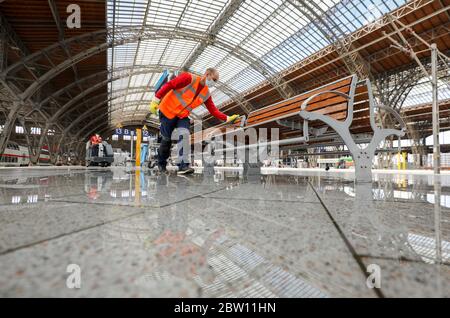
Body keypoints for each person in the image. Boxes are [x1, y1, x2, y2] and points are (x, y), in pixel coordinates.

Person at [149, 68, 239, 174]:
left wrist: (228, 118)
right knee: (166, 140)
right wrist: (156, 100)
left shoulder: (206, 93)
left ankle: (183, 166)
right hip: (167, 111)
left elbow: (213, 110)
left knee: (185, 135)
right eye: (213, 79)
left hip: (182, 116)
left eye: (216, 81)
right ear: (207, 74)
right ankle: (161, 164)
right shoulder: (188, 78)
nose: (214, 83)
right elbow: (170, 85)